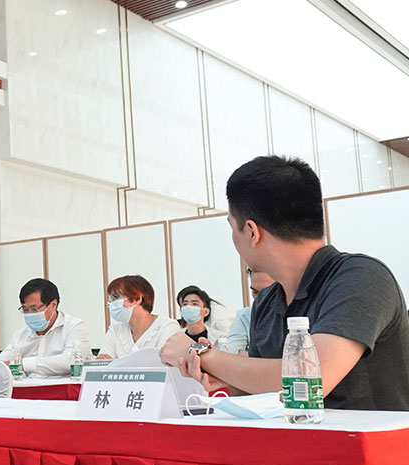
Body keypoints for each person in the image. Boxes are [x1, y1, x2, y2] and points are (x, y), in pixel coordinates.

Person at [160, 155, 409, 410]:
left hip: (367, 436)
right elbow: (263, 396)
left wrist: (203, 354)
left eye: (233, 227)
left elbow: (308, 379)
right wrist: (224, 377)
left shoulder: (361, 278)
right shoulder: (266, 302)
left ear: (252, 232)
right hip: (293, 434)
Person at [0, 278, 90, 377]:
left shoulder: (75, 327)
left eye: (34, 309)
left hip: (64, 386)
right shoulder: (20, 336)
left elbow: (70, 361)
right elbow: (0, 363)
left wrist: (22, 364)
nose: (30, 314)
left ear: (53, 305)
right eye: (25, 309)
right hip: (30, 386)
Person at [96, 275, 180, 359]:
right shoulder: (115, 331)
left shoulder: (167, 327)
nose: (111, 304)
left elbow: (161, 363)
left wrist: (115, 363)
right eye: (111, 300)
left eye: (116, 297)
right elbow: (102, 363)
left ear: (137, 299)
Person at [222, 268, 275, 355]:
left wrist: (248, 357)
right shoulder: (244, 317)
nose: (260, 298)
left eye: (267, 292)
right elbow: (234, 355)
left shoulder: (296, 315)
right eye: (255, 292)